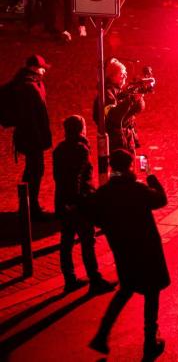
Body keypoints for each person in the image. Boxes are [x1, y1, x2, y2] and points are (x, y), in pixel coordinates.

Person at [88, 149, 169, 359]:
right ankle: (150, 340)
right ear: (130, 167)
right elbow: (161, 200)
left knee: (125, 289)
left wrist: (111, 226)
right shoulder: (137, 189)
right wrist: (150, 175)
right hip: (146, 249)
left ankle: (102, 334)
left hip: (123, 250)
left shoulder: (104, 193)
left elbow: (95, 217)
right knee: (151, 294)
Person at [53, 115, 116, 294]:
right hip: (79, 203)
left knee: (66, 241)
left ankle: (70, 279)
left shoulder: (59, 150)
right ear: (81, 130)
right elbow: (76, 178)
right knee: (87, 241)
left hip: (63, 201)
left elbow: (58, 178)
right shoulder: (81, 149)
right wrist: (75, 201)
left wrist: (65, 201)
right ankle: (94, 279)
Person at [5, 55, 53, 218]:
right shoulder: (28, 87)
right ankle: (31, 207)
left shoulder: (30, 83)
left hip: (30, 136)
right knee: (35, 170)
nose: (44, 70)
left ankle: (28, 205)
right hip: (32, 137)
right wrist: (40, 137)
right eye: (42, 67)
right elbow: (31, 116)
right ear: (33, 68)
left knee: (33, 170)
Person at [94, 58, 146, 155]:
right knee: (120, 168)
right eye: (122, 73)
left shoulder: (120, 91)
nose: (125, 76)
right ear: (112, 76)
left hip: (125, 138)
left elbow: (137, 110)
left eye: (126, 73)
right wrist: (132, 100)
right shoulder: (107, 93)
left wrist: (139, 97)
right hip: (116, 141)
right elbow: (114, 116)